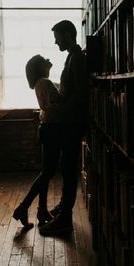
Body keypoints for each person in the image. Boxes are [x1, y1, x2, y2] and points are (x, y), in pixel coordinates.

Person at [39, 20, 87, 236]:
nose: (55, 41)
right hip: (69, 120)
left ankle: (65, 219)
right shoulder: (72, 56)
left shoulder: (77, 58)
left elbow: (80, 94)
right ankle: (63, 208)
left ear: (67, 35)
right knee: (65, 167)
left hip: (72, 122)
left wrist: (62, 109)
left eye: (57, 37)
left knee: (68, 169)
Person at [13, 54, 63, 230]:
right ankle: (23, 207)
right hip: (52, 129)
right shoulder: (44, 82)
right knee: (48, 172)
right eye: (44, 59)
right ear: (39, 67)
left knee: (46, 172)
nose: (48, 59)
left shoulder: (41, 83)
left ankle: (41, 210)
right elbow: (57, 105)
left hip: (48, 129)